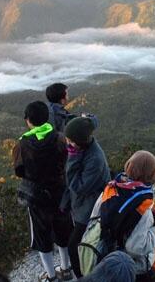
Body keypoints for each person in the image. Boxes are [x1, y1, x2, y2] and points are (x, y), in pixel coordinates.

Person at [14, 101, 74, 282]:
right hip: (60, 193)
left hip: (37, 197)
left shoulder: (22, 144)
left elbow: (19, 171)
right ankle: (66, 269)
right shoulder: (60, 138)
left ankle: (51, 276)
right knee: (63, 231)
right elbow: (68, 161)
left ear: (28, 121)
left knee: (42, 236)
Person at [90, 150, 155, 282]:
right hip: (134, 269)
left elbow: (95, 221)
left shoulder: (110, 190)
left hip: (106, 259)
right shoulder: (143, 209)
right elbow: (135, 247)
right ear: (151, 175)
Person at [61, 116, 111, 278]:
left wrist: (73, 157)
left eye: (70, 140)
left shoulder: (94, 158)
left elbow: (78, 187)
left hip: (90, 208)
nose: (67, 143)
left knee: (74, 246)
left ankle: (82, 277)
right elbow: (90, 121)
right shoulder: (84, 146)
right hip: (82, 205)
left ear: (79, 142)